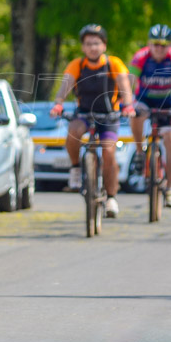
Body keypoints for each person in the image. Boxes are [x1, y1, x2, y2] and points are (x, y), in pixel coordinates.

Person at [49, 24, 136, 218]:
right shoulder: (77, 65)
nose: (92, 47)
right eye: (88, 44)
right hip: (84, 114)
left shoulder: (113, 63)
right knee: (73, 131)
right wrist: (58, 104)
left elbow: (124, 86)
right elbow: (64, 87)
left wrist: (128, 105)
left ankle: (111, 196)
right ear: (83, 47)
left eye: (96, 43)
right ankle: (75, 169)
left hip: (109, 116)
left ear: (104, 45)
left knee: (108, 151)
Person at [127, 24, 171, 208]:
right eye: (155, 44)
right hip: (146, 100)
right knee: (134, 115)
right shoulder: (141, 57)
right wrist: (125, 102)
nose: (159, 48)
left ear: (169, 46)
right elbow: (129, 82)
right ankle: (140, 151)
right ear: (149, 44)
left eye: (163, 45)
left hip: (170, 101)